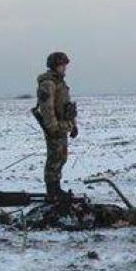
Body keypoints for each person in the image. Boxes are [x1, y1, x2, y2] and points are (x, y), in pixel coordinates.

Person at [33, 52, 77, 201]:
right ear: (55, 65)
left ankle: (56, 188)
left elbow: (67, 106)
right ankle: (52, 191)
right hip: (55, 127)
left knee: (61, 157)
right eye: (62, 65)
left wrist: (73, 125)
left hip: (63, 126)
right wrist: (52, 128)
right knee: (54, 159)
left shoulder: (60, 82)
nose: (65, 68)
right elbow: (47, 108)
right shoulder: (48, 83)